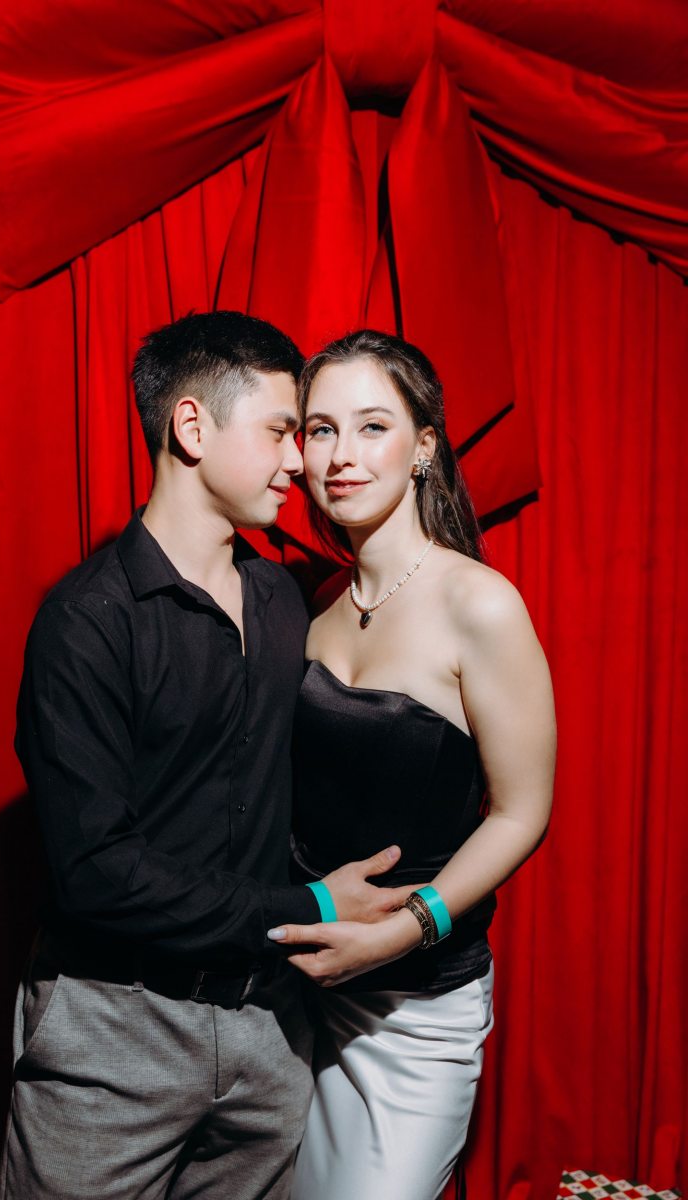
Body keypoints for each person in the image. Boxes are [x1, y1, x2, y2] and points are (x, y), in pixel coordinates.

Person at [0, 312, 419, 1200]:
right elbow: (97, 873)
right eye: (279, 431)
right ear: (191, 427)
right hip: (116, 1029)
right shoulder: (86, 623)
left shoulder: (284, 600)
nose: (299, 462)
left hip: (271, 1028)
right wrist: (307, 906)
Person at [266, 329, 557, 1200]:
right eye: (321, 430)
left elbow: (522, 812)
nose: (341, 456)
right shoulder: (320, 606)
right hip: (299, 996)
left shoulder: (481, 605)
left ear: (424, 447)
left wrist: (406, 929)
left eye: (372, 426)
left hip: (417, 1010)